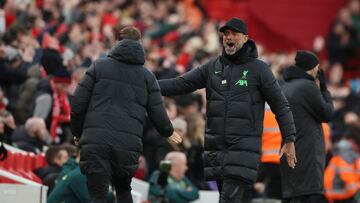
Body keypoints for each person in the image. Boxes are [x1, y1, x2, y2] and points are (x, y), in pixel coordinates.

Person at [158, 17, 297, 203]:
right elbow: (180, 84)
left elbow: (280, 104)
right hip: (216, 150)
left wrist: (289, 138)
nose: (228, 37)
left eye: (233, 33)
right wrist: (147, 83)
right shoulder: (212, 67)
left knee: (228, 200)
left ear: (245, 38)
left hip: (243, 150)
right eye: (225, 33)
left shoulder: (259, 69)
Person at [70, 26, 182, 203]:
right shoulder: (147, 76)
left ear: (117, 42)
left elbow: (78, 102)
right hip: (127, 145)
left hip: (96, 139)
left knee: (98, 195)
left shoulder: (99, 66)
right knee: (123, 190)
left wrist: (77, 132)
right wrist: (167, 131)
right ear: (140, 44)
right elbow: (157, 110)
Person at [280, 51, 334, 203]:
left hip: (290, 152)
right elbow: (327, 113)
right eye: (317, 67)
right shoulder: (308, 87)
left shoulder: (285, 86)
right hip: (307, 156)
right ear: (311, 68)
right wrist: (324, 89)